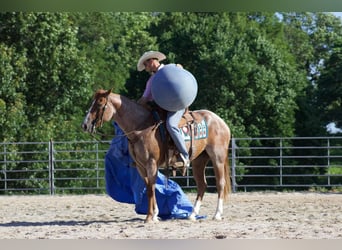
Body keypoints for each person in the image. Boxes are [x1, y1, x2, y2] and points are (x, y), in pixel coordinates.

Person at [137, 50, 190, 169]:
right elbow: (145, 98)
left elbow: (184, 82)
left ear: (151, 61)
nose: (146, 68)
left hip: (177, 106)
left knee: (171, 124)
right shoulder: (152, 80)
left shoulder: (171, 69)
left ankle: (185, 156)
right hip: (163, 108)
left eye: (145, 65)